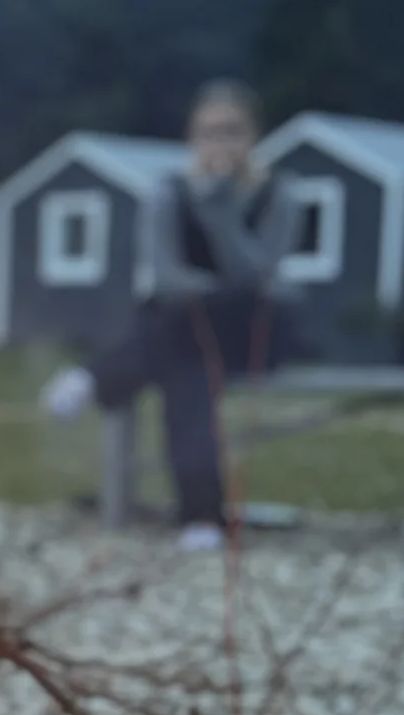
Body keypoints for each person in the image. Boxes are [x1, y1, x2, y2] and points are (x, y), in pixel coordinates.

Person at [41, 81, 299, 550]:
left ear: (254, 136)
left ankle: (93, 377)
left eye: (232, 132)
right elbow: (163, 275)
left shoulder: (279, 194)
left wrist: (220, 215)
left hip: (250, 331)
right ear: (191, 139)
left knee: (180, 333)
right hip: (187, 330)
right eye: (209, 133)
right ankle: (201, 513)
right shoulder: (167, 193)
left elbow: (259, 273)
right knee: (187, 366)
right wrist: (215, 288)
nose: (221, 144)